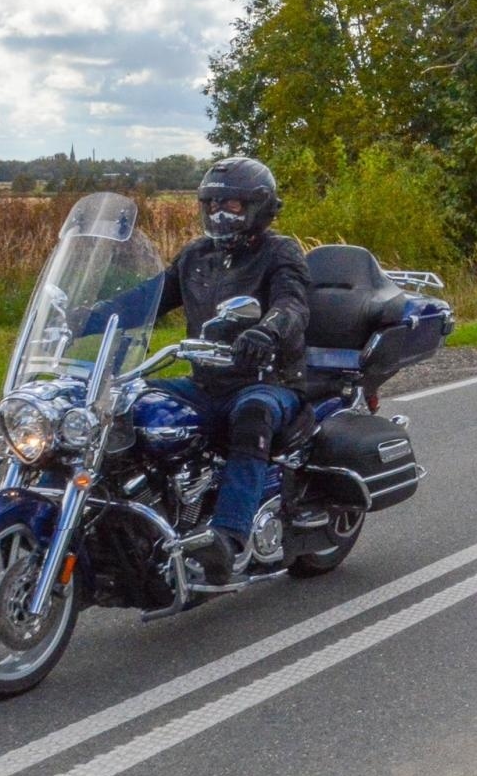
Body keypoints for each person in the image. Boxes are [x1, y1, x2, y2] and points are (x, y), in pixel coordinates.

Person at [82, 156, 310, 584]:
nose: (220, 214)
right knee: (125, 403)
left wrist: (267, 331)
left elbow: (292, 304)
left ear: (260, 207)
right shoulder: (196, 256)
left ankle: (227, 538)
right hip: (204, 382)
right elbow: (148, 300)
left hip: (268, 381)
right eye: (213, 204)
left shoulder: (280, 253)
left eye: (233, 205)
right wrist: (86, 317)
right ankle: (135, 521)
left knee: (251, 415)